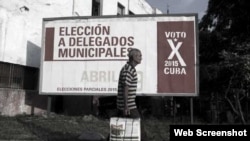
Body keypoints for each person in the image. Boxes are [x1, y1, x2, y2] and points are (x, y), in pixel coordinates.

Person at [116, 48, 148, 141]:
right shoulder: (128, 70)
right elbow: (126, 88)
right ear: (133, 57)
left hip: (125, 105)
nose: (141, 58)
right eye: (139, 56)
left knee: (120, 127)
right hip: (128, 105)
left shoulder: (129, 68)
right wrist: (126, 106)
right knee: (139, 127)